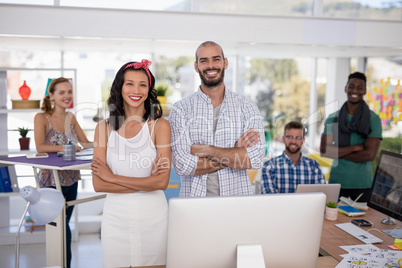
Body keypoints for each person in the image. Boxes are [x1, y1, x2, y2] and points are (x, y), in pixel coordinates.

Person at [91, 60, 171, 268]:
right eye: (130, 84)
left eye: (143, 84)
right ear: (119, 87)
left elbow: (162, 183)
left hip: (153, 216)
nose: (137, 90)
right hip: (115, 217)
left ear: (149, 89)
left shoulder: (160, 126)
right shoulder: (103, 128)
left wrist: (112, 177)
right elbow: (99, 185)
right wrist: (147, 182)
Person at [169, 41, 265, 197]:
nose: (210, 65)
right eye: (204, 61)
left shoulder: (247, 107)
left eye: (216, 59)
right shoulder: (181, 109)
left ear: (225, 63)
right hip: (194, 207)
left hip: (236, 205)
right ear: (196, 66)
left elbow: (255, 158)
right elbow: (182, 166)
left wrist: (208, 151)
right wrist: (235, 152)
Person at [34, 77, 93, 268]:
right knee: (60, 224)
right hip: (50, 179)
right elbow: (40, 147)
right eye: (62, 92)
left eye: (69, 92)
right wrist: (67, 147)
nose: (67, 96)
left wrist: (108, 139)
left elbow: (85, 144)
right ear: (51, 95)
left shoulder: (71, 118)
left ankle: (62, 264)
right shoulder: (41, 117)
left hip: (71, 177)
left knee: (64, 223)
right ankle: (62, 264)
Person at [320, 72, 382, 202]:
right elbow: (325, 150)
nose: (355, 90)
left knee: (361, 221)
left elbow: (369, 155)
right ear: (345, 88)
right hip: (336, 183)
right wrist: (354, 148)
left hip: (362, 185)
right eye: (351, 86)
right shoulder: (333, 118)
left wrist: (337, 152)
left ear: (365, 90)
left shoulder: (373, 119)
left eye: (360, 87)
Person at [261, 121, 325, 194]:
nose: (294, 141)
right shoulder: (269, 166)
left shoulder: (314, 165)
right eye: (290, 137)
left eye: (298, 138)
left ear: (303, 140)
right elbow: (269, 197)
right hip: (280, 205)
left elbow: (321, 194)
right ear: (284, 139)